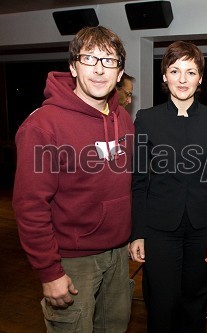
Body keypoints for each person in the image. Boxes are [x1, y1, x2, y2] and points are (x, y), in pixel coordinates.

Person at [12, 26, 134, 332]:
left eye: (108, 61)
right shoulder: (43, 126)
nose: (98, 69)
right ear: (73, 66)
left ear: (119, 73)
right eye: (89, 58)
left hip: (118, 255)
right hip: (72, 260)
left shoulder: (123, 119)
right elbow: (30, 206)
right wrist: (49, 271)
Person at [129, 41, 207, 333]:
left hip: (201, 230)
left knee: (194, 302)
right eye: (175, 71)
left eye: (190, 72)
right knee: (161, 303)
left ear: (200, 78)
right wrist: (137, 232)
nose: (183, 79)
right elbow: (138, 182)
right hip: (159, 229)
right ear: (164, 76)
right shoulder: (147, 120)